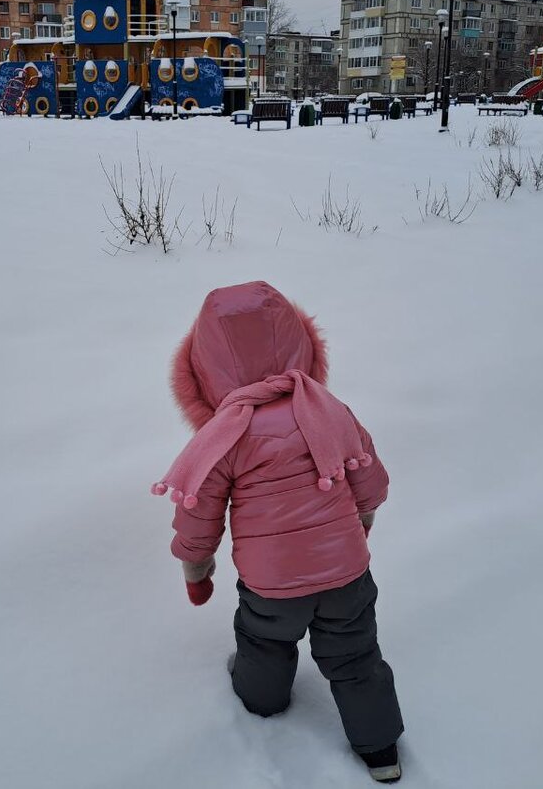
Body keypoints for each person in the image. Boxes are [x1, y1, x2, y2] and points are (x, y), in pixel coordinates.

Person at [152, 281, 405, 783]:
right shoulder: (329, 410)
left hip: (271, 584)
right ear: (302, 345)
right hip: (346, 574)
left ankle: (261, 703)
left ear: (203, 372)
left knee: (263, 642)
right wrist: (363, 520)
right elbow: (367, 475)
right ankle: (381, 754)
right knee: (356, 655)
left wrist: (196, 570)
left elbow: (199, 514)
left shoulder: (224, 437)